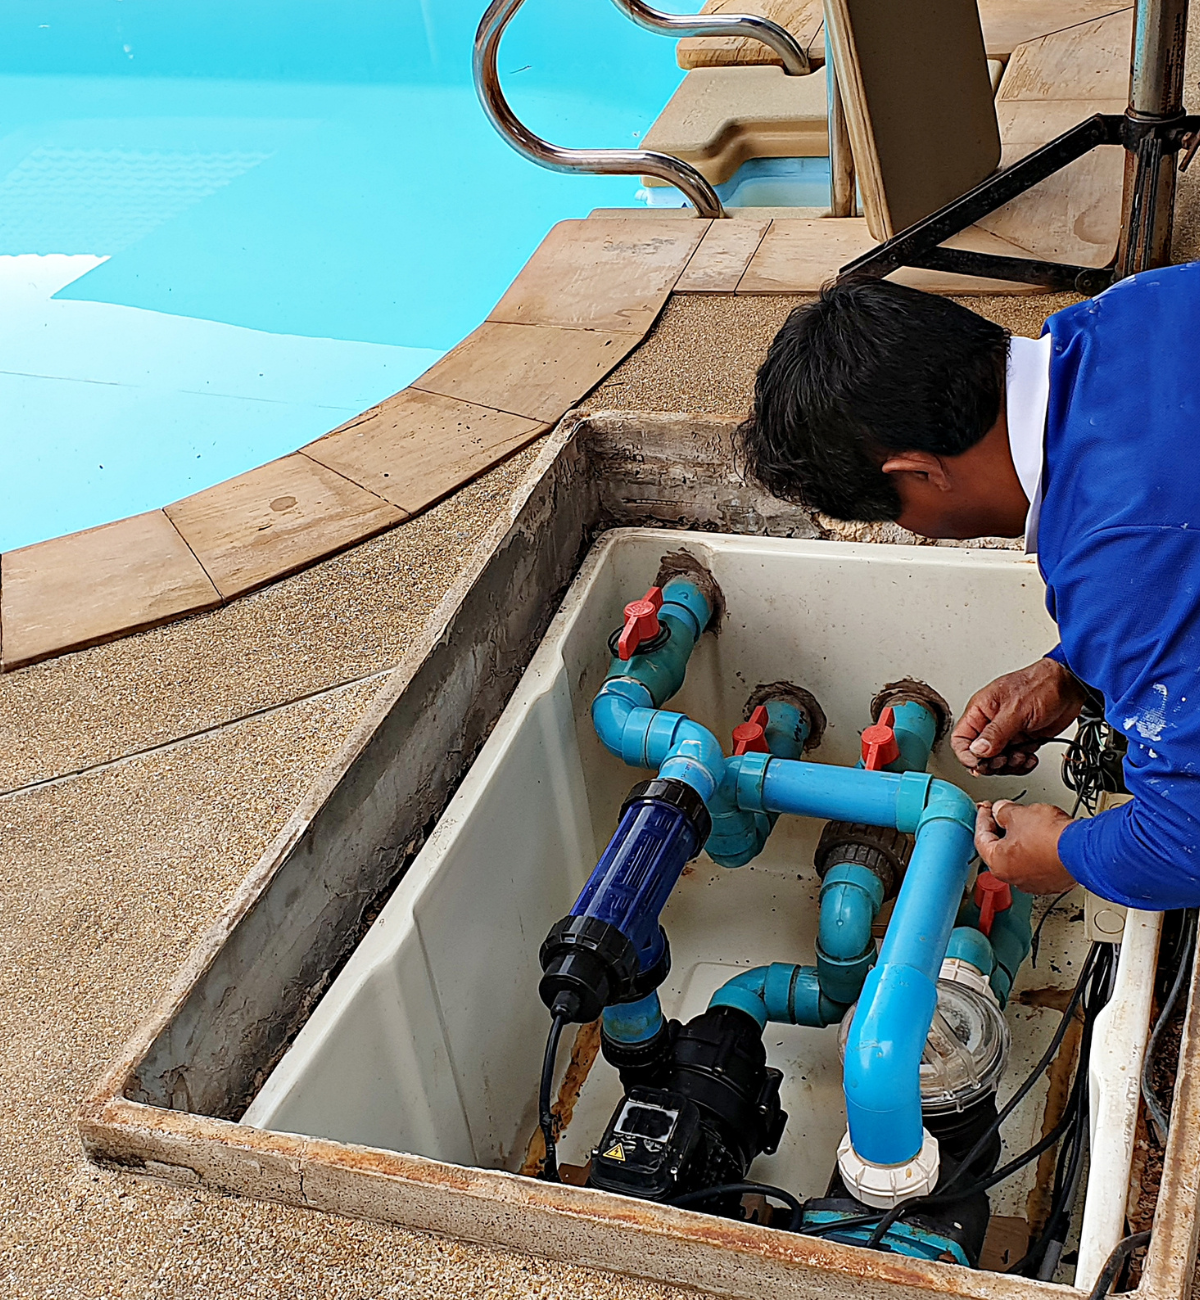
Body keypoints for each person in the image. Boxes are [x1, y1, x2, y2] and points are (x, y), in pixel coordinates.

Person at [736, 264, 1200, 908]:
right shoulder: (1138, 301)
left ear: (919, 473)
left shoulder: (1113, 561)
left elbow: (1185, 841)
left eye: (893, 513)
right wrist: (1074, 669)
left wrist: (1066, 851)